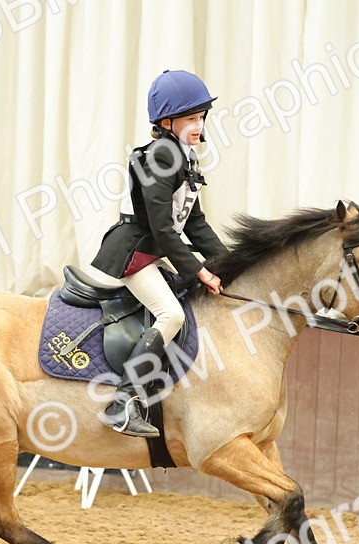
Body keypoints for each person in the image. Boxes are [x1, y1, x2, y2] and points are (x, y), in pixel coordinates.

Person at [80, 69, 228, 438]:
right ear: (167, 122)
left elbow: (195, 225)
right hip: (135, 254)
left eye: (201, 117)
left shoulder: (184, 157)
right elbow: (163, 229)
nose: (199, 124)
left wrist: (229, 263)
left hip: (156, 251)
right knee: (171, 314)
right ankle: (122, 403)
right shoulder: (159, 159)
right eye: (191, 118)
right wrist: (199, 271)